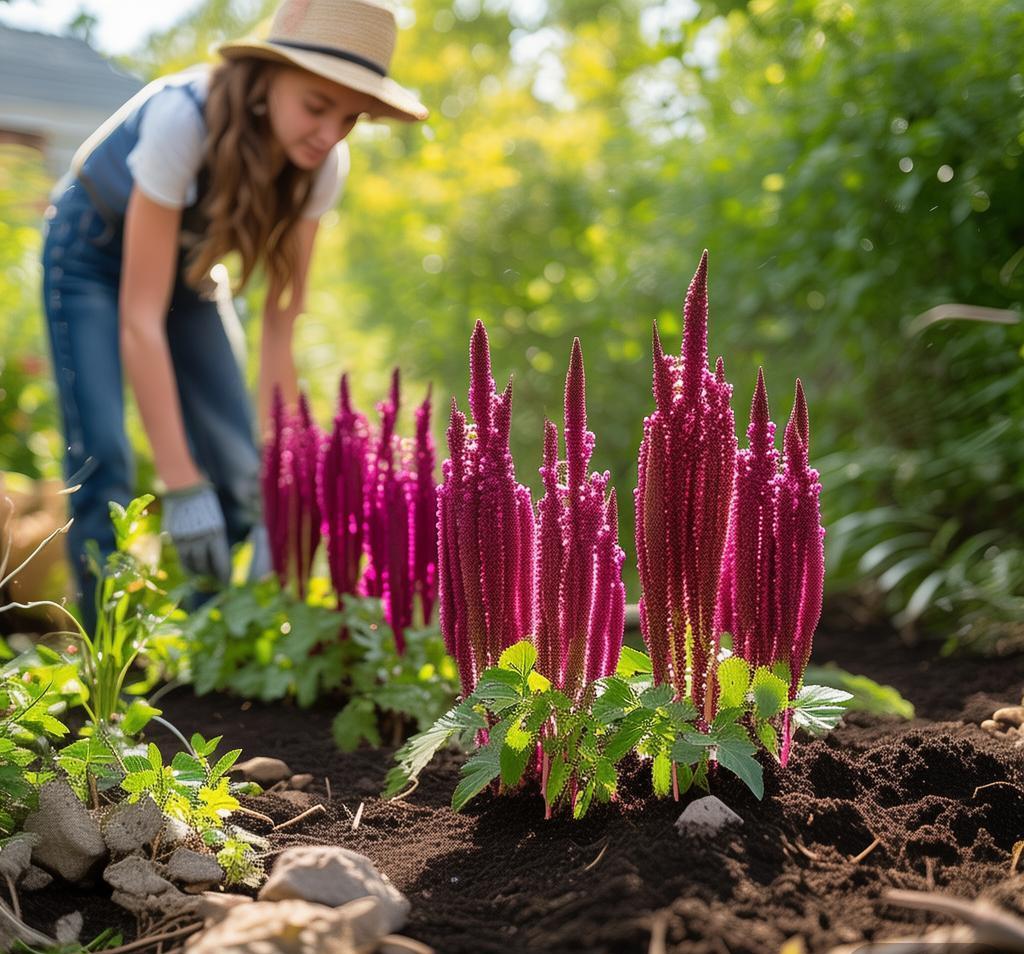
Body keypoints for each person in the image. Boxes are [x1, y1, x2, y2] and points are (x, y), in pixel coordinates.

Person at [40, 0, 427, 630]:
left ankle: (202, 642)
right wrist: (180, 484)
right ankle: (101, 655)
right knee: (103, 454)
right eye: (315, 105)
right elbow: (139, 319)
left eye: (349, 117)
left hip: (191, 272)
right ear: (267, 80)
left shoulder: (321, 167)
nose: (329, 133)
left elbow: (281, 322)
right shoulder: (180, 120)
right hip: (92, 257)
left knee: (241, 468)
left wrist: (279, 487)